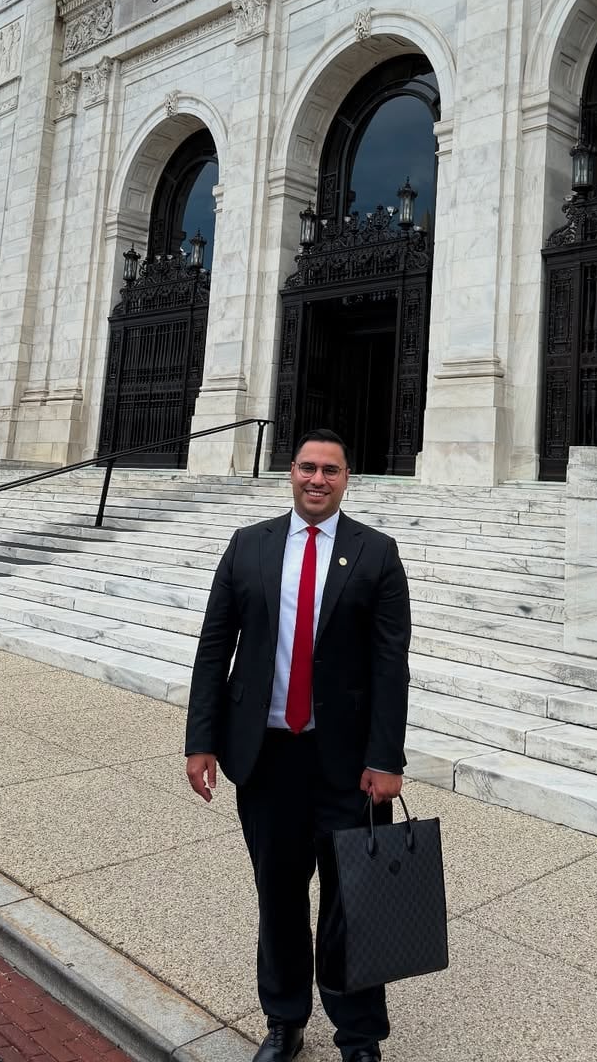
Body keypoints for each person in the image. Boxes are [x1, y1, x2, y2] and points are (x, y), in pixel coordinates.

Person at [185, 429, 411, 1062]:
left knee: (353, 905)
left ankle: (359, 1036)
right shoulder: (248, 546)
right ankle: (284, 1021)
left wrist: (385, 759)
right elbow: (214, 647)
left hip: (346, 766)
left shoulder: (377, 554)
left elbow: (391, 666)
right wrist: (200, 741)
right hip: (267, 759)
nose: (318, 479)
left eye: (331, 471)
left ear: (347, 479)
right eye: (308, 468)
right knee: (279, 897)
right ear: (291, 473)